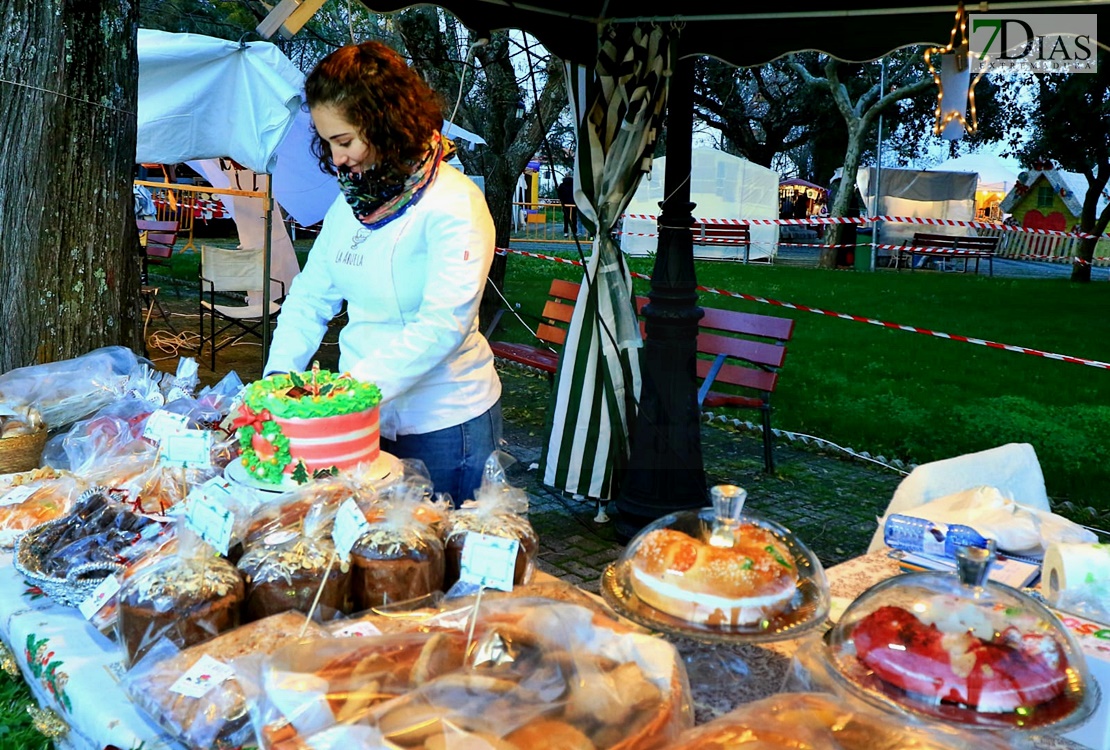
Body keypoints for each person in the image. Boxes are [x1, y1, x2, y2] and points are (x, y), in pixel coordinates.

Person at [264, 41, 501, 505]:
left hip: (442, 423)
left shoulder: (455, 204)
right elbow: (310, 299)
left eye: (345, 141)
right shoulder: (352, 204)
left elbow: (441, 325)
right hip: (360, 420)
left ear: (386, 124)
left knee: (436, 562)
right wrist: (277, 382)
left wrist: (344, 396)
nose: (337, 159)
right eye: (328, 142)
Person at [557, 173, 578, 237]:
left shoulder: (562, 185)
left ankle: (566, 232)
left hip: (565, 204)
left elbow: (559, 193)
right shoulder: (574, 185)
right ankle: (574, 232)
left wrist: (562, 201)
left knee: (566, 219)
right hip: (573, 203)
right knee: (574, 218)